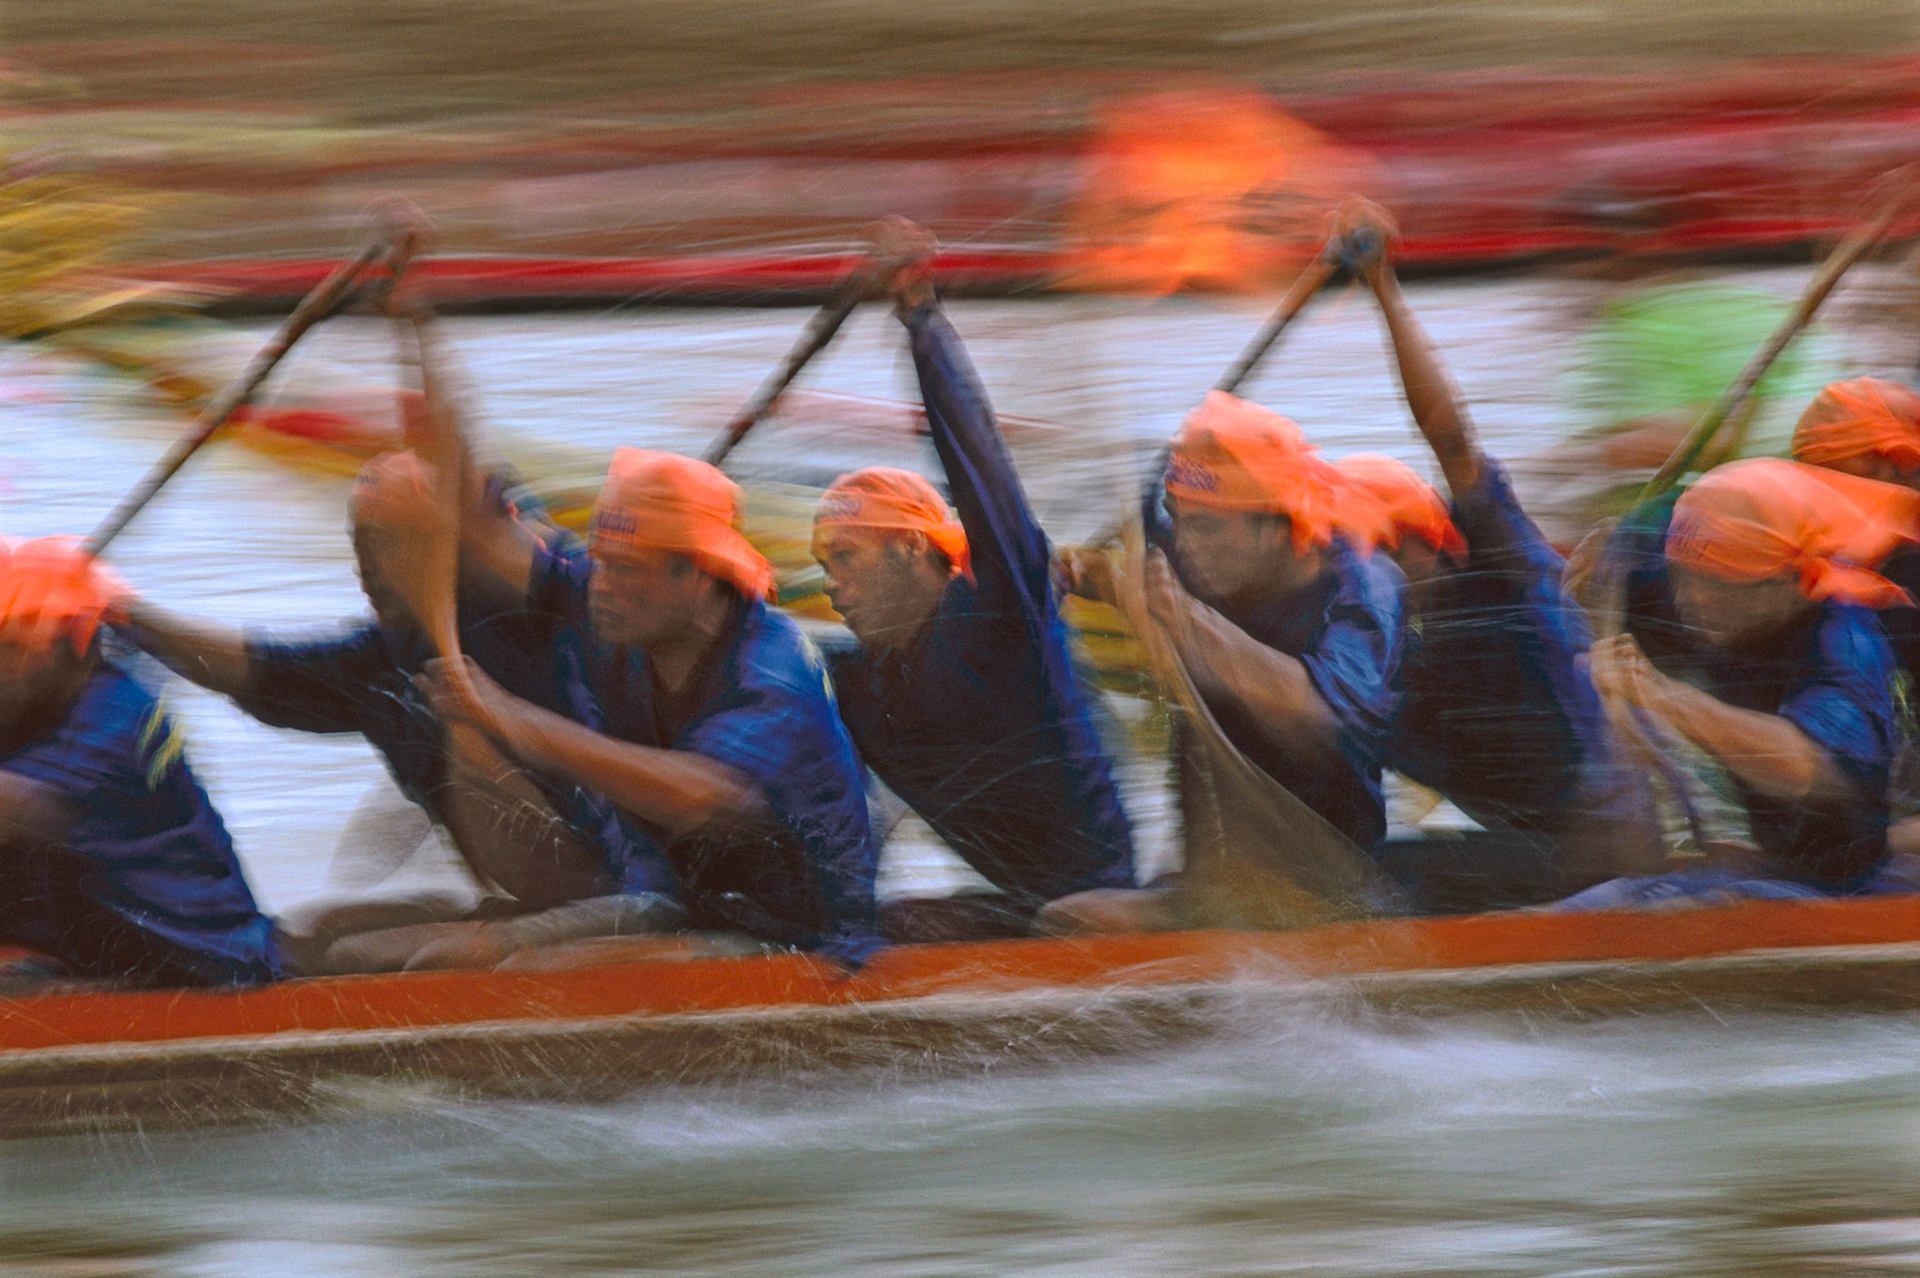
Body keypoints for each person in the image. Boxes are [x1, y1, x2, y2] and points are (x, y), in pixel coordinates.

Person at [115, 451, 655, 973]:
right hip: (530, 906)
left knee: (383, 958)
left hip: (623, 900)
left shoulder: (551, 615)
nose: (366, 568)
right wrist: (124, 614)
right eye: (359, 544)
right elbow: (260, 670)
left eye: (388, 543)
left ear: (455, 546)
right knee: (300, 938)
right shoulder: (381, 659)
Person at [423, 446, 883, 967]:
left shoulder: (774, 666)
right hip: (679, 909)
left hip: (801, 944)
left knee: (530, 975)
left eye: (624, 569)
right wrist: (432, 414)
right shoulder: (619, 601)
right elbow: (488, 535)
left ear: (698, 573)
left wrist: (518, 721)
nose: (600, 586)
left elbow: (700, 796)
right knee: (438, 957)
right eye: (599, 563)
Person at [1327, 198, 1662, 907]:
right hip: (1525, 855)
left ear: (1432, 540)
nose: (1372, 580)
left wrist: (1383, 291)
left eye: (1384, 556)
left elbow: (1450, 437)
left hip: (1601, 849)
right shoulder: (1366, 646)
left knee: (1361, 896)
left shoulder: (1508, 573)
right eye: (1357, 565)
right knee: (1334, 877)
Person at [810, 220, 1138, 941]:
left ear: (911, 551)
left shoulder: (1002, 615)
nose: (830, 584)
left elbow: (979, 462)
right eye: (824, 563)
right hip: (1013, 909)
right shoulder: (854, 682)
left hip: (1101, 907)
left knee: (1064, 918)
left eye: (846, 558)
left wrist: (919, 316)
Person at [1065, 391, 1407, 860]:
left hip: (1329, 885)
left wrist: (1186, 616)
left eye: (1205, 526)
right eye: (1175, 518)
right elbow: (1126, 569)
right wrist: (1090, 579)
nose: (1183, 546)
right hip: (1217, 876)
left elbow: (1327, 724)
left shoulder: (1364, 587)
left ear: (1279, 527)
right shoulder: (1199, 555)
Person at [1568, 458, 1918, 904]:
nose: (1689, 599)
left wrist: (1663, 696)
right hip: (1746, 863)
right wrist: (1596, 584)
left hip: (1835, 888)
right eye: (1683, 577)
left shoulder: (1847, 645)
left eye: (1715, 585)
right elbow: (1626, 549)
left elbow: (1805, 768)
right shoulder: (1692, 559)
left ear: (1786, 586)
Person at [0, 538, 282, 986]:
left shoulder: (119, 712)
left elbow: (25, 808)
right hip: (82, 950)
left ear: (71, 645)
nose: (7, 671)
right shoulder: (25, 703)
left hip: (195, 963)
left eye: (13, 650)